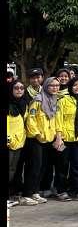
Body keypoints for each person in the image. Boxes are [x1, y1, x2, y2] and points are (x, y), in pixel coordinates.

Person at [53, 77, 78, 201]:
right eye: (75, 85)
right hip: (64, 139)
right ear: (70, 87)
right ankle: (61, 190)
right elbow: (58, 120)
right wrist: (59, 137)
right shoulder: (63, 100)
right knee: (62, 165)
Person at [7, 80, 29, 208]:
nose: (19, 90)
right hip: (9, 143)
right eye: (16, 88)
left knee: (12, 170)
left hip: (19, 143)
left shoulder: (24, 103)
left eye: (21, 88)